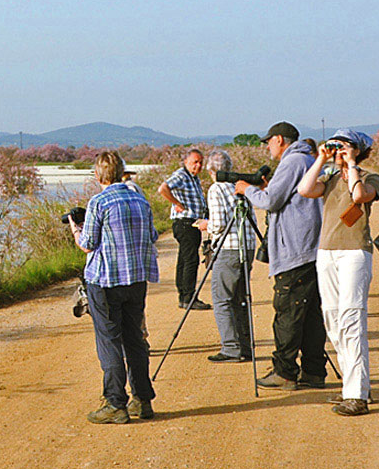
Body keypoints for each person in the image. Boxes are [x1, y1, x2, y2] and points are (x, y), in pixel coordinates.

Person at [236, 122, 328, 390]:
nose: (267, 147)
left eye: (268, 142)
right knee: (311, 315)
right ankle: (314, 371)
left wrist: (246, 190)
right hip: (311, 249)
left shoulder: (292, 162)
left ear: (279, 139)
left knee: (287, 313)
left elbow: (270, 202)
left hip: (295, 251)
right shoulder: (308, 159)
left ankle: (285, 372)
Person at [297, 129, 379, 416]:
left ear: (359, 149)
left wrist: (352, 163)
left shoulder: (369, 177)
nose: (340, 149)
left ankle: (357, 395)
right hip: (327, 252)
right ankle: (352, 386)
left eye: (346, 145)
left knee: (352, 317)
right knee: (332, 319)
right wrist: (321, 159)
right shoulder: (329, 177)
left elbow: (359, 196)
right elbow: (305, 190)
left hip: (355, 252)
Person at [73, 150, 160, 424]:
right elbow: (153, 235)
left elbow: (87, 243)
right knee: (134, 339)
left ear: (98, 175)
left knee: (109, 341)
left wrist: (76, 228)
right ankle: (142, 400)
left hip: (106, 281)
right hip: (136, 279)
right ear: (123, 171)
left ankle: (115, 403)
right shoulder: (140, 200)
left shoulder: (99, 202)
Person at [203, 151, 259, 362]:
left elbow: (217, 224)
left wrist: (205, 225)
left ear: (212, 171)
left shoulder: (216, 188)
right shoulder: (239, 185)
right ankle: (245, 346)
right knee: (240, 299)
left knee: (222, 299)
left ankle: (230, 348)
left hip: (228, 249)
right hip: (247, 246)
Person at [159, 149, 210, 310]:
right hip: (185, 222)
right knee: (190, 260)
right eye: (195, 162)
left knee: (184, 259)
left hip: (191, 222)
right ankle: (189, 297)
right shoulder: (181, 175)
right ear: (186, 162)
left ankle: (184, 296)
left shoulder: (193, 178)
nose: (199, 165)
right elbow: (163, 188)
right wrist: (176, 203)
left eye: (201, 162)